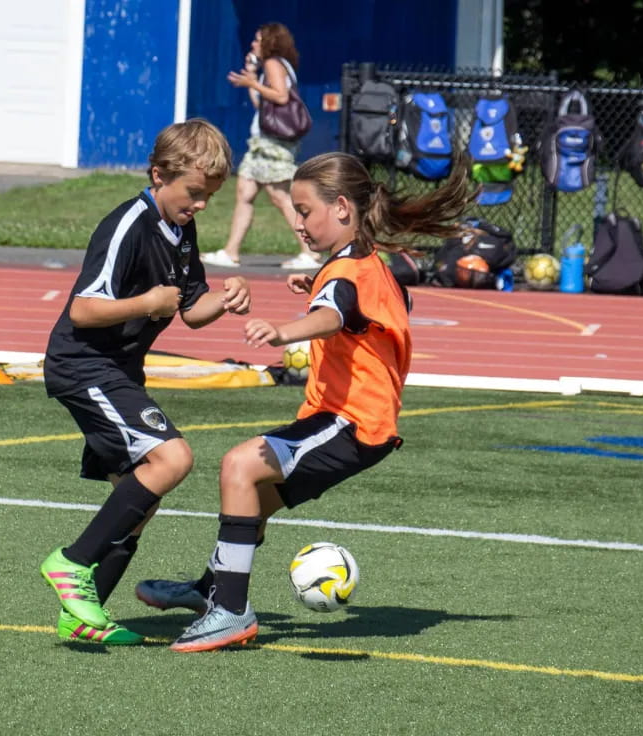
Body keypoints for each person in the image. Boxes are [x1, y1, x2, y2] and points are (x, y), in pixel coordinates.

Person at [136, 152, 474, 652]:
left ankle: (230, 613)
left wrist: (284, 330)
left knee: (239, 467)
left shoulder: (344, 277)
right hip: (356, 423)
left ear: (341, 208)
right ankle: (213, 589)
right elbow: (382, 306)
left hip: (351, 423)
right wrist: (316, 287)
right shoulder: (363, 263)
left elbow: (334, 316)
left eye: (303, 210)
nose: (296, 222)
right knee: (257, 499)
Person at [40, 118, 251, 645]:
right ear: (159, 174)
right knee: (173, 458)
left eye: (210, 197)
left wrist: (226, 298)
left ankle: (82, 617)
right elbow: (84, 310)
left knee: (139, 500)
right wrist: (146, 303)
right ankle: (72, 563)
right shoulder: (127, 224)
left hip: (118, 371)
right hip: (84, 364)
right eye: (194, 193)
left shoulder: (181, 227)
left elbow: (193, 311)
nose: (201, 205)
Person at [202, 22, 319, 271]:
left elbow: (280, 96)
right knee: (244, 192)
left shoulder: (274, 63)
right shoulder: (273, 66)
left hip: (272, 144)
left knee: (279, 196)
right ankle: (231, 251)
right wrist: (252, 77)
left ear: (270, 42)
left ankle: (309, 251)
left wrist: (253, 84)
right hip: (262, 142)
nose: (253, 43)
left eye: (258, 39)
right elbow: (262, 104)